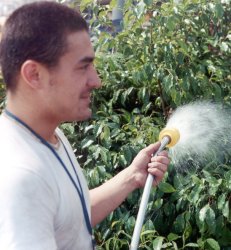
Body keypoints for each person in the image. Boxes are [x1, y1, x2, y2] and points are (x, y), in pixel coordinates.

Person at [0, 2, 170, 250]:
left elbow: (69, 220)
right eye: (83, 67)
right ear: (34, 75)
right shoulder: (22, 177)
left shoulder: (48, 135)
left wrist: (132, 177)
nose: (96, 81)